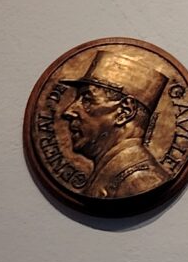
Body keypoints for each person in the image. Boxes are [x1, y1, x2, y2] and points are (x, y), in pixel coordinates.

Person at [54, 46, 172, 199]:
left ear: (125, 112)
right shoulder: (115, 175)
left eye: (87, 100)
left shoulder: (140, 182)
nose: (69, 111)